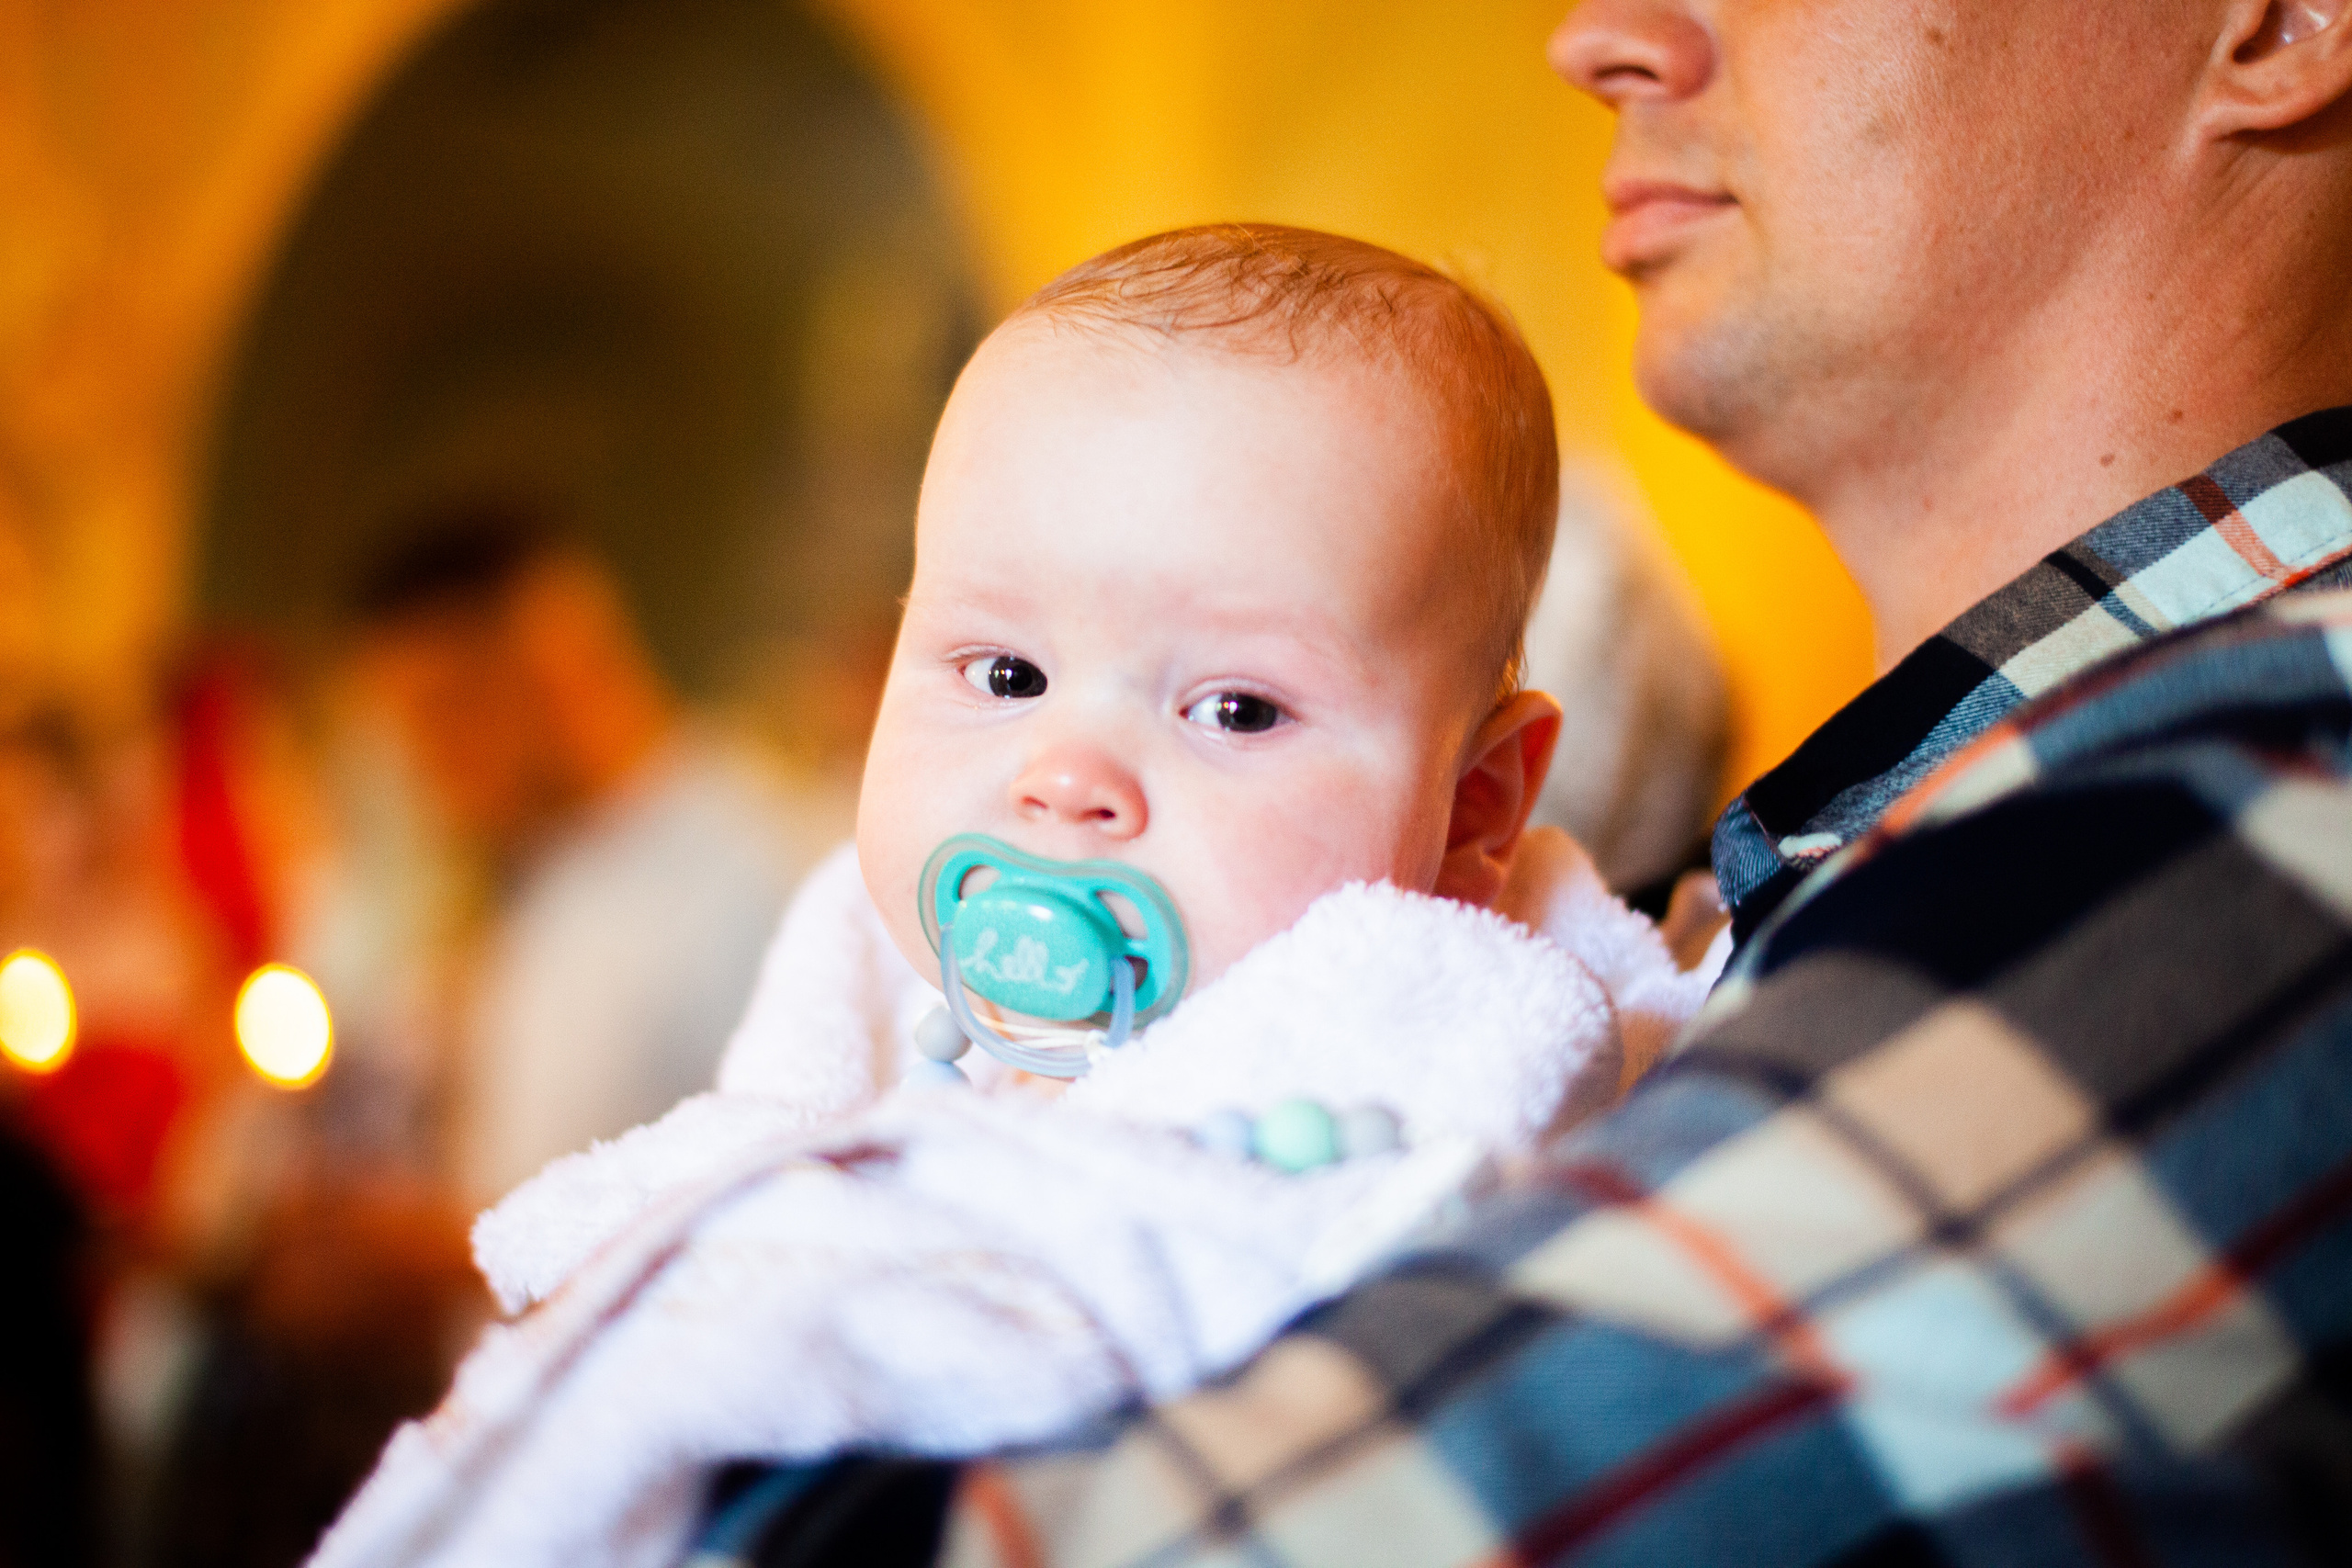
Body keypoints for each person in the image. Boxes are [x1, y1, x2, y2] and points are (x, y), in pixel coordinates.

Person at [722, 2, 2352, 1563]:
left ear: (2275, 23)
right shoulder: (1863, 861)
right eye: (1003, 674)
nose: (1594, 39)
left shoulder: (2276, 794)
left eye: (1237, 703)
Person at [307, 226, 1726, 1568]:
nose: (1066, 775)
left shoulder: (1433, 1061)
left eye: (1234, 706)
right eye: (1003, 675)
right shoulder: (865, 984)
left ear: (1475, 806)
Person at [352, 515, 838, 1202]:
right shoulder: (545, 876)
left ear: (555, 664)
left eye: (441, 712)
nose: (425, 768)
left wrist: (444, 1267)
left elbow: (773, 1206)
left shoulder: (752, 873)